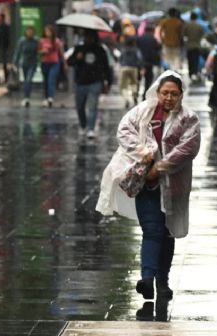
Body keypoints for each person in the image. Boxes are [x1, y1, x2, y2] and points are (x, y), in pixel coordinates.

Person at [96, 71, 201, 300]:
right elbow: (124, 131)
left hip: (174, 186)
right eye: (165, 93)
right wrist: (142, 153)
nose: (169, 98)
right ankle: (147, 279)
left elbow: (188, 149)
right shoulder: (143, 112)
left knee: (167, 232)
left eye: (174, 94)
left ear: (181, 95)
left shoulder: (189, 119)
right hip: (146, 185)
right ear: (157, 92)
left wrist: (160, 167)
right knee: (152, 230)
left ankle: (162, 280)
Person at [67, 29, 112, 139]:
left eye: (91, 37)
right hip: (80, 82)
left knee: (92, 106)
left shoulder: (100, 50)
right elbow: (69, 62)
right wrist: (77, 58)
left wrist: (107, 81)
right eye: (87, 37)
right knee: (80, 106)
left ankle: (91, 128)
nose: (88, 39)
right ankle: (83, 125)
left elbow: (106, 67)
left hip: (95, 82)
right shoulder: (79, 49)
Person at [13, 25, 39, 107]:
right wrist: (15, 62)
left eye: (31, 32)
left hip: (33, 63)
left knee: (29, 79)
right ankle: (26, 97)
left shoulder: (36, 41)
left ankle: (27, 97)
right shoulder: (22, 41)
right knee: (25, 80)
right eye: (28, 31)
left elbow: (39, 50)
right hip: (24, 63)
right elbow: (18, 52)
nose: (30, 33)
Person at [38, 25, 63, 107]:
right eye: (46, 31)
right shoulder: (42, 41)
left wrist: (64, 63)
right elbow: (38, 51)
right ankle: (46, 97)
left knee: (51, 79)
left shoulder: (56, 41)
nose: (48, 33)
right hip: (45, 62)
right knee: (45, 80)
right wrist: (43, 51)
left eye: (49, 31)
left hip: (54, 62)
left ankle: (50, 97)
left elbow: (61, 52)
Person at [137, 24, 162, 102]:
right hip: (149, 62)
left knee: (138, 78)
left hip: (140, 63)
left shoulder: (139, 39)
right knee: (148, 79)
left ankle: (136, 93)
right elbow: (158, 49)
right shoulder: (153, 40)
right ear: (151, 31)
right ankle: (145, 94)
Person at [118, 36, 144, 108]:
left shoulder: (123, 49)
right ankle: (134, 97)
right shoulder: (136, 50)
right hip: (133, 68)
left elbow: (120, 59)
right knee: (134, 84)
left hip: (124, 68)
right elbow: (140, 59)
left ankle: (126, 99)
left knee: (124, 85)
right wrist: (141, 67)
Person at [183, 12, 206, 81]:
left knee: (190, 60)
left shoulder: (187, 25)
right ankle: (194, 73)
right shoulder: (199, 26)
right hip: (197, 46)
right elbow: (203, 35)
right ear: (196, 18)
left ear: (190, 17)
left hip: (189, 46)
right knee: (195, 60)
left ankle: (190, 73)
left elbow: (183, 34)